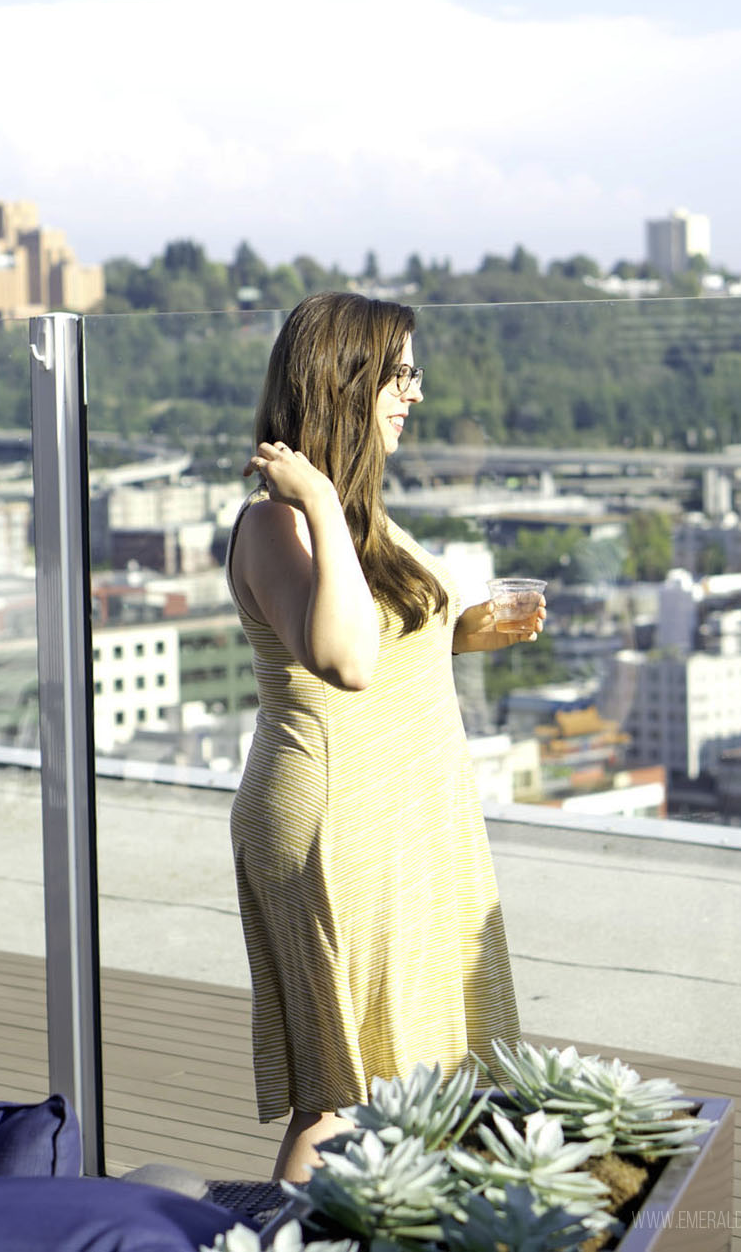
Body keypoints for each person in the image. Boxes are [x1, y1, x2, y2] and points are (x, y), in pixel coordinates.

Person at [225, 292, 545, 1182]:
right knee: (341, 1094)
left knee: (415, 1070)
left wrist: (464, 628)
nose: (415, 390)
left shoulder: (358, 517)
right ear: (346, 382)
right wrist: (322, 499)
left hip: (403, 819)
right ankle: (291, 1240)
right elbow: (342, 656)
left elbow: (381, 637)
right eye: (398, 373)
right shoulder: (279, 523)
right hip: (338, 826)